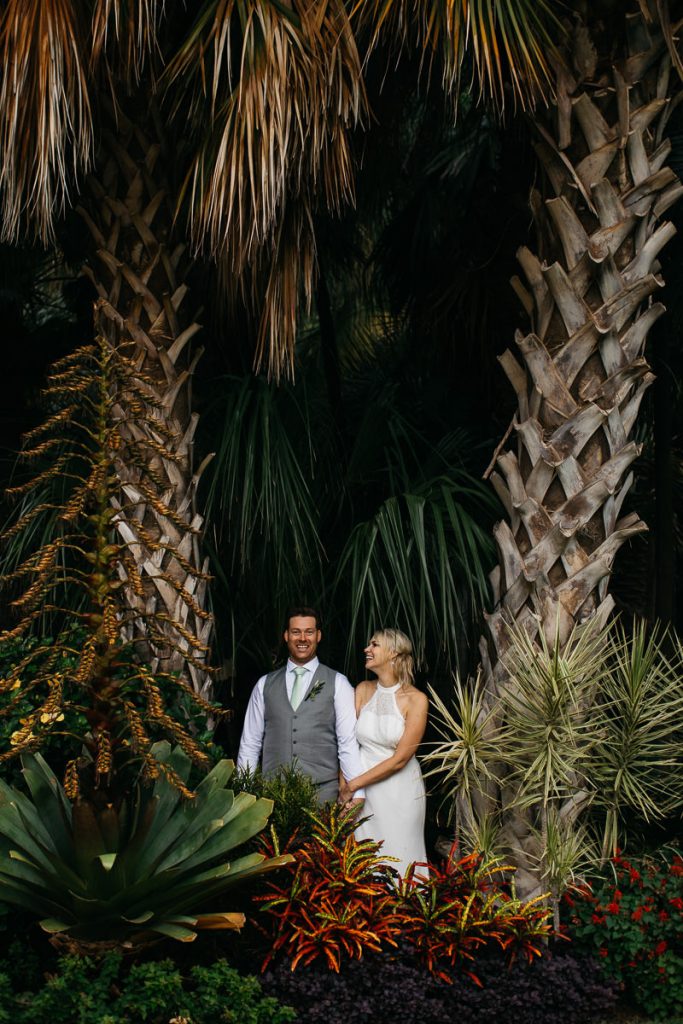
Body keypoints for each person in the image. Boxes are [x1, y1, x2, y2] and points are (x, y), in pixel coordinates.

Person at [237, 606, 364, 804]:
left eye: (309, 632)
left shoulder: (338, 683)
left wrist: (358, 793)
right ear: (286, 636)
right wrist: (244, 794)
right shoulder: (264, 685)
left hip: (323, 796)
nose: (302, 638)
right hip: (272, 797)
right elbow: (250, 743)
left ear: (318, 636)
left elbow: (347, 742)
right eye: (296, 632)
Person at [339, 628, 428, 876]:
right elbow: (347, 745)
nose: (367, 649)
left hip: (400, 793)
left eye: (374, 645)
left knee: (400, 856)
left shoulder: (416, 700)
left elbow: (400, 759)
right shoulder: (362, 689)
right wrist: (346, 789)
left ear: (393, 653)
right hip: (362, 795)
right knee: (365, 861)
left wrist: (354, 784)